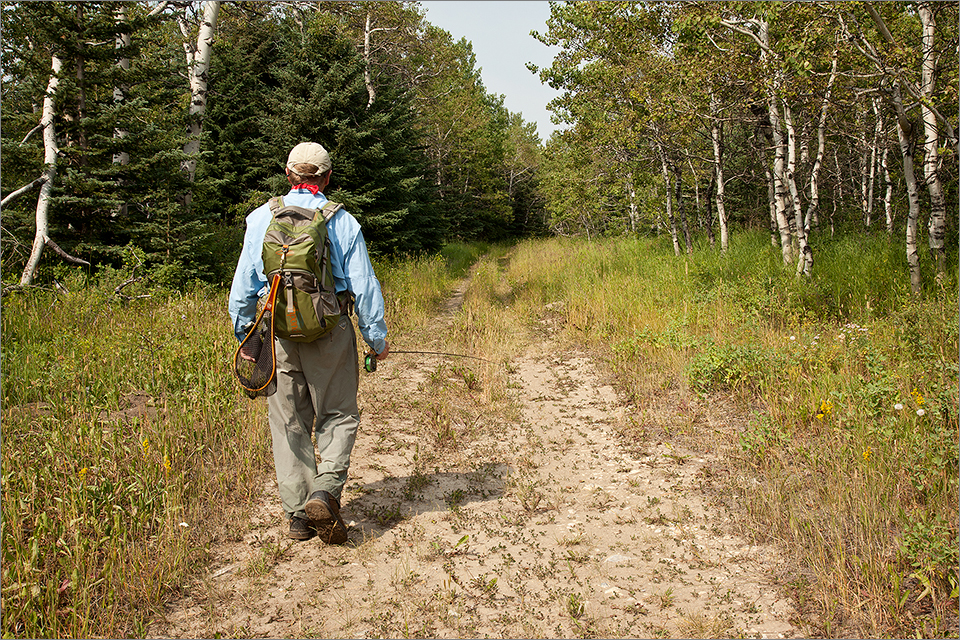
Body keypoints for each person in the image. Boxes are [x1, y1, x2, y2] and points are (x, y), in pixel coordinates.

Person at [228, 142, 389, 543]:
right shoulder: (342, 221)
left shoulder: (260, 218)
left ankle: (298, 516)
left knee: (288, 423)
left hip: (278, 333)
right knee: (338, 414)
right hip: (329, 331)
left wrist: (245, 334)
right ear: (327, 177)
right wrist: (376, 339)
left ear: (289, 175)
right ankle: (325, 490)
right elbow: (364, 287)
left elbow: (243, 288)